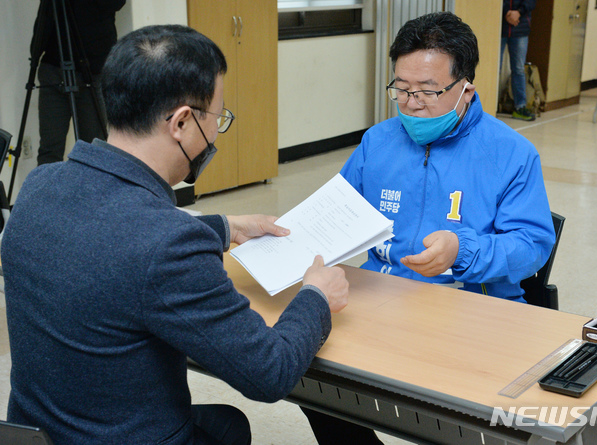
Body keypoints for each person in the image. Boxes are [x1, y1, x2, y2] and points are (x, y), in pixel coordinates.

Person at [3, 24, 349, 445]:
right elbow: (269, 373)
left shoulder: (41, 186)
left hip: (42, 431)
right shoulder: (167, 244)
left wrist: (226, 227)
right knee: (231, 426)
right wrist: (315, 296)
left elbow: (109, 233)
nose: (216, 131)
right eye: (217, 118)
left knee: (227, 423)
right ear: (182, 122)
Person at [301, 11, 555, 443]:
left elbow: (532, 244)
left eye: (428, 91)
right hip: (379, 307)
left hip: (471, 316)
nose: (412, 103)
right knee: (303, 370)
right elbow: (333, 216)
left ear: (465, 88)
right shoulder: (378, 142)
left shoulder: (511, 153)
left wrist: (465, 250)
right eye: (401, 89)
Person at [33, 0, 126, 165]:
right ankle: (50, 191)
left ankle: (91, 191)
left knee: (92, 150)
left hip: (92, 68)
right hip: (54, 65)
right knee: (49, 150)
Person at [501, 0, 537, 121]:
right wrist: (507, 12)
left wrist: (518, 12)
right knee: (496, 67)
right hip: (499, 25)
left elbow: (531, 2)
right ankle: (488, 105)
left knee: (519, 69)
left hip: (520, 26)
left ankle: (520, 107)